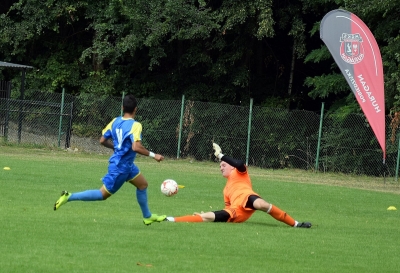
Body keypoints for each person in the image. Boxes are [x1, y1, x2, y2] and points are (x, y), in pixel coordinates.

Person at [54, 94, 166, 225]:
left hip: (127, 165)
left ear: (122, 107)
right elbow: (136, 147)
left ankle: (147, 216)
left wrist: (116, 147)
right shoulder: (135, 125)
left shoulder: (115, 121)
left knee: (142, 185)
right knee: (102, 194)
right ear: (136, 109)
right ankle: (69, 197)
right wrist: (154, 155)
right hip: (120, 167)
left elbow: (102, 140)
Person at [165, 143, 311, 228]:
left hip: (249, 198)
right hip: (237, 212)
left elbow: (240, 163)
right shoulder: (226, 189)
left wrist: (220, 155)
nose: (221, 167)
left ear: (231, 166)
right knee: (208, 217)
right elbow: (227, 207)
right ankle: (171, 219)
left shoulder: (240, 173)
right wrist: (208, 213)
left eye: (223, 165)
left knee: (261, 204)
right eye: (220, 166)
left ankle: (296, 224)